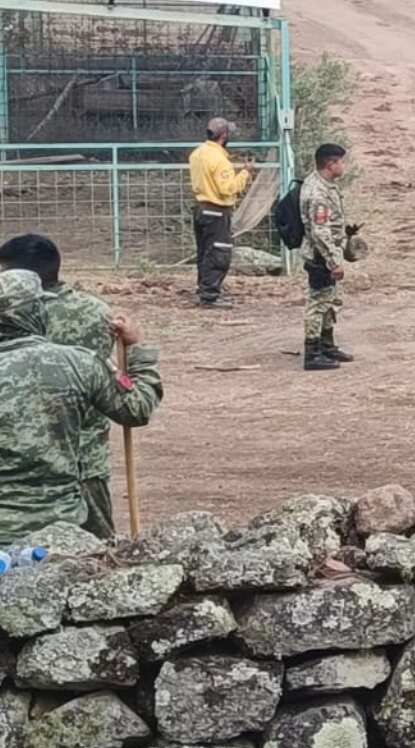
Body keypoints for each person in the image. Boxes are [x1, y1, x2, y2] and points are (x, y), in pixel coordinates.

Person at [0, 268, 161, 545]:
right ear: (37, 311)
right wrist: (136, 350)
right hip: (62, 528)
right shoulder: (80, 364)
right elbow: (137, 408)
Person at [299, 143, 355, 372]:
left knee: (330, 300)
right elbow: (319, 232)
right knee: (318, 302)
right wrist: (334, 261)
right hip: (320, 255)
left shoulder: (324, 185)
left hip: (327, 251)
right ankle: (312, 352)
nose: (344, 166)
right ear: (331, 164)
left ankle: (326, 344)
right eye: (341, 161)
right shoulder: (318, 193)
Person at [186, 116, 250, 308]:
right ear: (223, 135)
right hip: (217, 210)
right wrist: (245, 174)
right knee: (218, 253)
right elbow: (227, 189)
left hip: (201, 208)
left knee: (205, 252)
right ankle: (210, 295)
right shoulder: (220, 160)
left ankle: (204, 289)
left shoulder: (197, 154)